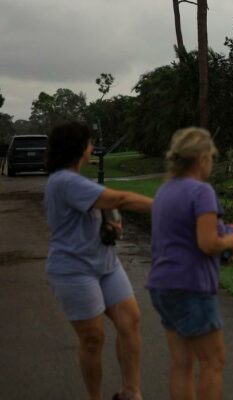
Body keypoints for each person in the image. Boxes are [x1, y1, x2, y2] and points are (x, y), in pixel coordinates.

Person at [43, 122, 153, 400]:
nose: (92, 147)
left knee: (130, 321)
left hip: (105, 264)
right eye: (90, 143)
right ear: (80, 148)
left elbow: (110, 208)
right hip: (74, 270)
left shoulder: (81, 182)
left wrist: (113, 223)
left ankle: (131, 393)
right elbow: (122, 198)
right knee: (93, 338)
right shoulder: (64, 181)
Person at [146, 127, 233, 400]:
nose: (211, 161)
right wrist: (230, 242)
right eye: (211, 156)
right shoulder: (202, 192)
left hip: (162, 286)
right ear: (201, 158)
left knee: (182, 364)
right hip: (191, 287)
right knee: (214, 361)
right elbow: (208, 243)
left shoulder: (165, 191)